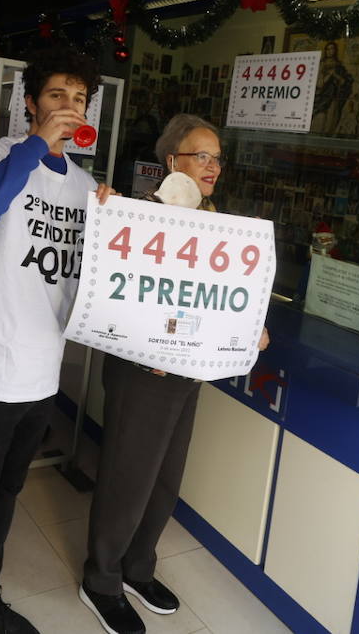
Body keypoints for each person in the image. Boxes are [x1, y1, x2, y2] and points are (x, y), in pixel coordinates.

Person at [0, 44, 114, 634]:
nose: (68, 106)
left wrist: (116, 222)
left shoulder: (87, 186)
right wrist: (37, 143)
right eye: (56, 95)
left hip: (42, 372)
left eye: (79, 98)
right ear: (30, 104)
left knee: (7, 494)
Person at [79, 113, 269, 634]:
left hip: (187, 373)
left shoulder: (219, 221)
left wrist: (251, 326)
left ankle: (139, 567)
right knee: (128, 477)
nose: (212, 167)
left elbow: (220, 295)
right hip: (143, 371)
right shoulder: (142, 216)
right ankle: (102, 578)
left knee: (164, 480)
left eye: (217, 158)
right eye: (200, 157)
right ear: (171, 162)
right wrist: (105, 210)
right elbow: (122, 291)